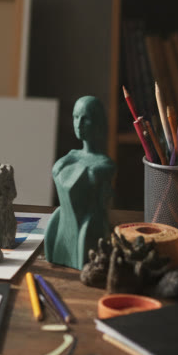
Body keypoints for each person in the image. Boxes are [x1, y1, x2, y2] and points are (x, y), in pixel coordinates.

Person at [43, 96, 116, 269]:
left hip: (89, 229)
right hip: (62, 223)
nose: (79, 123)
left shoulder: (104, 164)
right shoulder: (71, 155)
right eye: (76, 117)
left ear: (97, 122)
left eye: (86, 118)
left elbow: (103, 203)